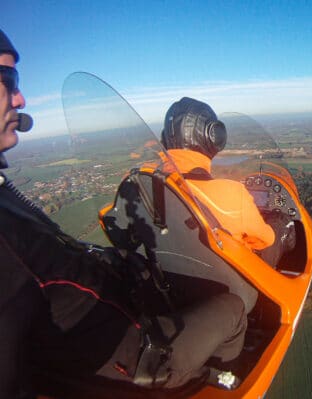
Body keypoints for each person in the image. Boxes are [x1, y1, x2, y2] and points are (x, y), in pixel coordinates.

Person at [0, 29, 246, 398]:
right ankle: (226, 380)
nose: (21, 97)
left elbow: (109, 224)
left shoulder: (139, 185)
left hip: (119, 325)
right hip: (138, 359)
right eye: (8, 80)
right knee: (233, 308)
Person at [160, 97, 295, 266]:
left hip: (178, 272)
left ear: (164, 139)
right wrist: (276, 221)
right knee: (282, 223)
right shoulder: (232, 194)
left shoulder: (150, 185)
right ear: (213, 137)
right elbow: (264, 240)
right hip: (235, 278)